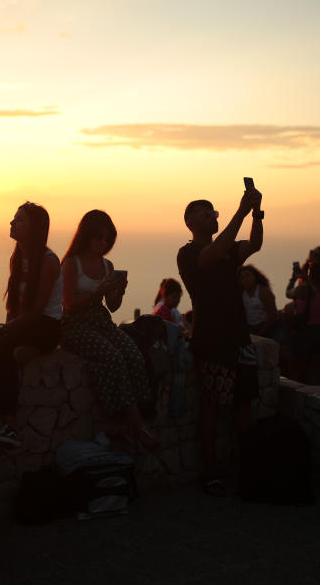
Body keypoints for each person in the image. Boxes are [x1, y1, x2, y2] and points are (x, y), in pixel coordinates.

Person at [177, 187, 263, 496]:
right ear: (190, 222)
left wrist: (256, 212)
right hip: (212, 340)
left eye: (215, 212)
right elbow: (210, 255)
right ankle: (211, 471)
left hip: (239, 338)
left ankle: (248, 468)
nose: (213, 216)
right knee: (213, 407)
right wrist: (239, 212)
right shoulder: (188, 253)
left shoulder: (228, 248)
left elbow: (254, 244)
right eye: (206, 213)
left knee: (243, 406)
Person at [60, 210, 157, 450]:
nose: (103, 243)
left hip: (100, 321)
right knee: (112, 358)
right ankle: (137, 425)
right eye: (98, 238)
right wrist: (97, 293)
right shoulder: (72, 263)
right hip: (75, 324)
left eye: (107, 239)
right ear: (86, 236)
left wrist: (119, 290)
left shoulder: (107, 265)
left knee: (133, 355)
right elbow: (68, 304)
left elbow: (112, 307)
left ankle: (137, 415)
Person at [0, 203, 62, 448]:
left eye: (19, 220)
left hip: (46, 328)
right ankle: (19, 349)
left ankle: (10, 424)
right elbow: (14, 310)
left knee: (2, 348)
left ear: (34, 227)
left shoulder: (48, 262)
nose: (12, 223)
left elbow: (34, 314)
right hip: (24, 325)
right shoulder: (19, 258)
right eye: (14, 219)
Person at [290, 261, 320, 384]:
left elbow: (289, 293)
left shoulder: (303, 290)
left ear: (310, 274)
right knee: (315, 370)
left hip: (306, 332)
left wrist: (293, 279)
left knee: (298, 369)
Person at [238, 264, 277, 337]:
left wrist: (260, 332)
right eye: (242, 277)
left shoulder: (263, 292)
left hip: (267, 325)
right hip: (251, 328)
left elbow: (272, 315)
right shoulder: (241, 294)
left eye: (248, 276)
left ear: (255, 277)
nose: (246, 279)